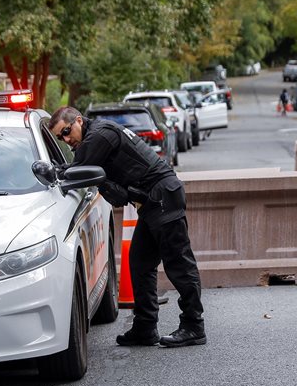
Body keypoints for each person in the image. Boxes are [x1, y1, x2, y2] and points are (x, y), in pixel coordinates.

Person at [49, 106, 205, 348]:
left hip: (162, 196)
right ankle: (145, 328)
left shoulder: (99, 135)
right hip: (152, 200)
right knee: (140, 263)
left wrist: (49, 172)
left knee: (179, 264)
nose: (67, 139)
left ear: (79, 120)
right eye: (61, 137)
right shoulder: (96, 135)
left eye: (67, 131)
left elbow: (75, 171)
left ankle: (194, 326)